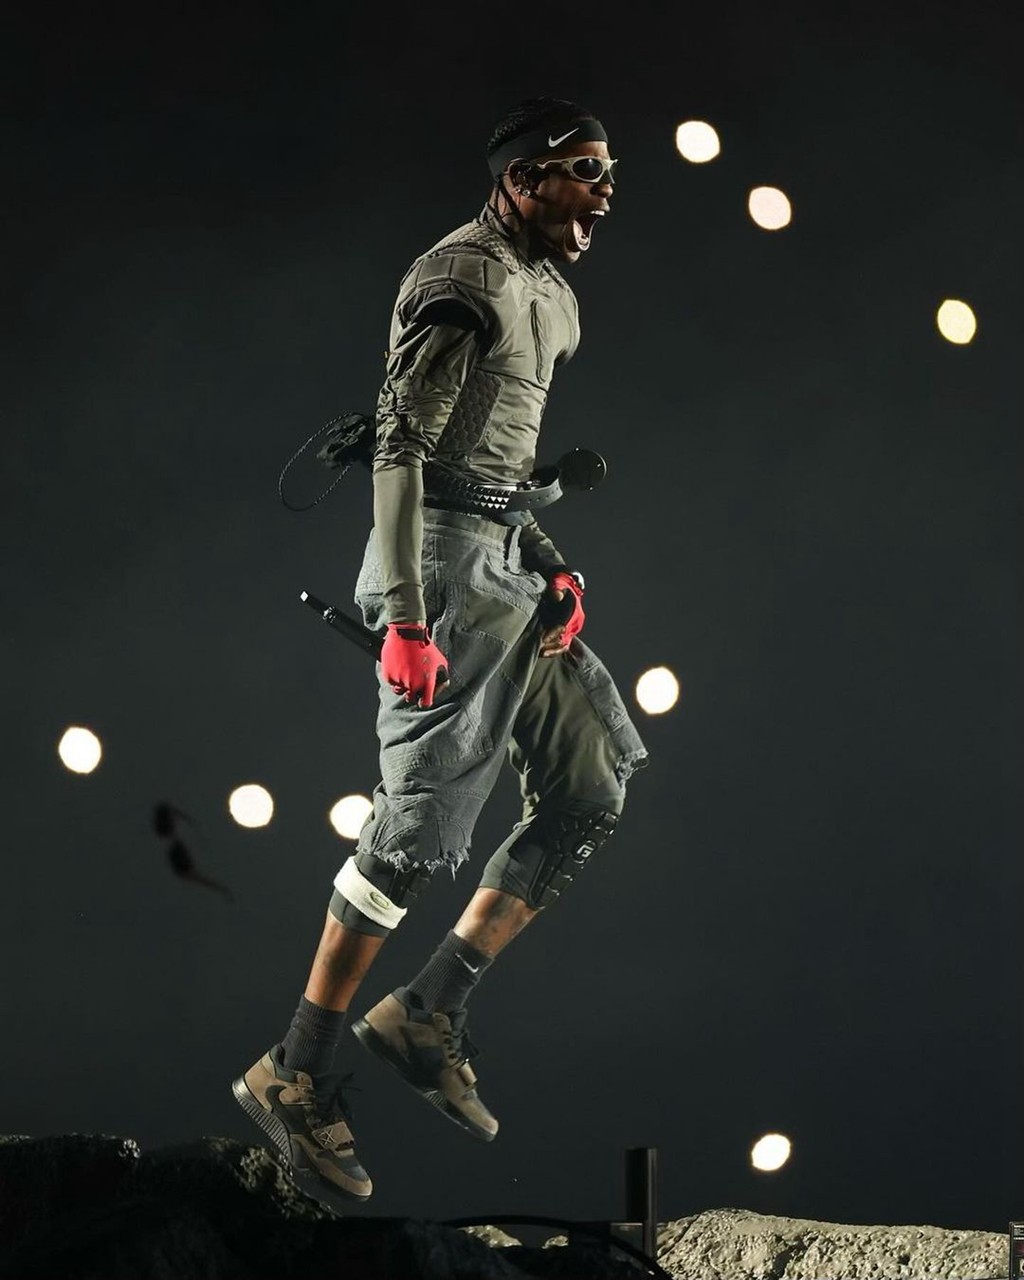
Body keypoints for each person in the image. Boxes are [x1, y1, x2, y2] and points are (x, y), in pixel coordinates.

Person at [232, 96, 649, 1212]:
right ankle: (293, 1067)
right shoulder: (459, 278)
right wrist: (410, 619)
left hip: (504, 562)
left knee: (590, 787)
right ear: (520, 178)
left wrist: (549, 559)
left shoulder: (551, 292)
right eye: (582, 169)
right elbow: (403, 447)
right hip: (441, 571)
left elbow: (494, 466)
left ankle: (425, 1009)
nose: (604, 190)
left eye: (608, 168)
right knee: (416, 834)